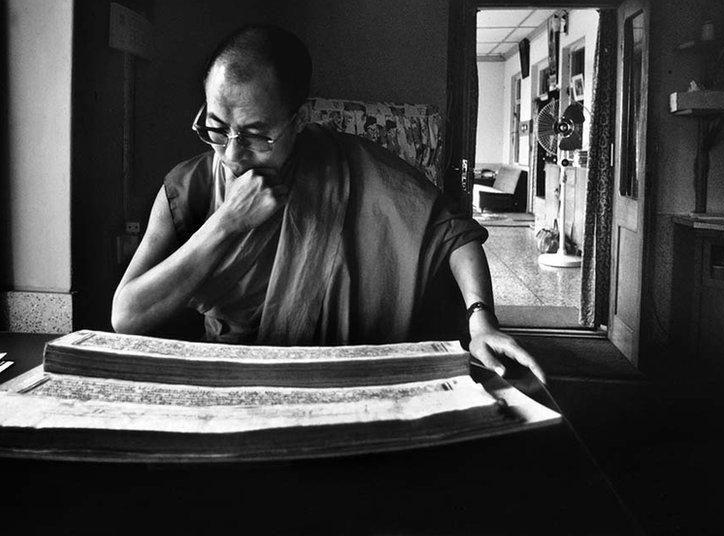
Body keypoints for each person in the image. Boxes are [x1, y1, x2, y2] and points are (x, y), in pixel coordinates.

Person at [111, 25, 544, 381]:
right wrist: (225, 223)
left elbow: (451, 232)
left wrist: (481, 320)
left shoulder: (346, 167)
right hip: (232, 376)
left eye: (257, 135)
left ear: (296, 122)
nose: (231, 155)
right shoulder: (187, 189)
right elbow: (126, 315)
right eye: (216, 128)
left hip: (341, 374)